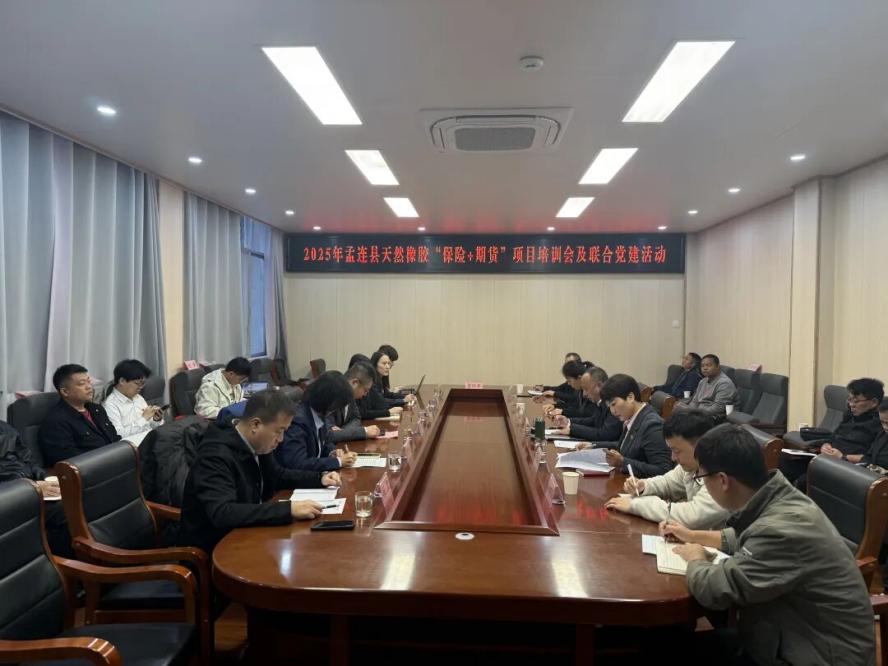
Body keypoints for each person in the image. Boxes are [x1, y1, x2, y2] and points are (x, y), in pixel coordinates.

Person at [662, 424, 874, 665]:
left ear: (722, 480)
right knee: (671, 643)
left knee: (668, 650)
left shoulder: (780, 530)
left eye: (701, 477)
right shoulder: (778, 497)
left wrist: (695, 558)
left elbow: (718, 591)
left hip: (815, 655)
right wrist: (692, 535)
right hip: (787, 635)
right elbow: (745, 537)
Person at [178, 389, 340, 554]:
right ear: (255, 425)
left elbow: (278, 476)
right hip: (217, 548)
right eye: (279, 431)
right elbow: (223, 512)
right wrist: (287, 510)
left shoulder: (256, 443)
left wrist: (319, 478)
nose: (281, 439)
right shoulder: (215, 456)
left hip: (250, 533)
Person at [604, 411, 729, 529]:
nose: (673, 458)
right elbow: (668, 483)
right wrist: (644, 486)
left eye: (677, 451)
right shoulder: (693, 464)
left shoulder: (722, 475)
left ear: (701, 446)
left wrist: (635, 505)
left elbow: (692, 516)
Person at [785, 377, 885, 487]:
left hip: (849, 469)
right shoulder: (849, 416)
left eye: (856, 401)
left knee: (804, 481)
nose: (851, 404)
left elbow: (872, 458)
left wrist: (842, 456)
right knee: (785, 463)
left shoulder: (881, 425)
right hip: (828, 460)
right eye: (849, 400)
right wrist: (826, 445)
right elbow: (834, 436)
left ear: (874, 402)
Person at [1, 419, 72, 556]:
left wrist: (43, 477)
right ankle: (62, 563)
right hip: (10, 496)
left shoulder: (5, 428)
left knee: (73, 496)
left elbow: (29, 459)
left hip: (30, 486)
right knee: (63, 509)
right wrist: (29, 488)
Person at [39, 364, 121, 466]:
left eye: (89, 381)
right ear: (65, 392)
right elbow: (67, 461)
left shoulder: (97, 409)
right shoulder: (56, 421)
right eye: (82, 384)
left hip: (114, 462)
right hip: (92, 469)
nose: (89, 387)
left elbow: (114, 437)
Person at [275, 372, 358, 472]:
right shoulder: (297, 421)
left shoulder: (317, 413)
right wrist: (338, 462)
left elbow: (323, 442)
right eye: (337, 406)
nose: (336, 410)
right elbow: (298, 463)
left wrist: (332, 452)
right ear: (328, 401)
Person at [597, 374, 673, 478]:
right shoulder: (632, 417)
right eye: (609, 406)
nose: (612, 411)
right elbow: (627, 446)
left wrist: (623, 462)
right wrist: (593, 445)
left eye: (613, 404)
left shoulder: (652, 425)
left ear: (630, 397)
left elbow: (663, 470)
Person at [548, 366, 622, 442]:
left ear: (599, 385)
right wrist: (568, 421)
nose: (584, 394)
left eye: (586, 389)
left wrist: (573, 430)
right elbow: (593, 420)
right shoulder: (601, 402)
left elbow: (604, 434)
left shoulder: (613, 403)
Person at [102, 359, 163, 446]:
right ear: (122, 381)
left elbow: (149, 426)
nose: (141, 387)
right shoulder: (110, 405)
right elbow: (118, 435)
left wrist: (156, 420)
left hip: (150, 440)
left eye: (143, 383)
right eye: (137, 383)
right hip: (133, 448)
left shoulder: (138, 398)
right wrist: (144, 418)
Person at [672, 354, 737, 419]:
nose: (705, 368)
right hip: (699, 414)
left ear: (718, 367)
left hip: (713, 417)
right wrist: (688, 411)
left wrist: (691, 410)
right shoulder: (703, 381)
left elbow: (718, 409)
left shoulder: (724, 383)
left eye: (708, 365)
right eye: (702, 366)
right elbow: (695, 401)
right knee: (675, 415)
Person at [328, 362, 381, 442]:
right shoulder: (331, 394)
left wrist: (345, 432)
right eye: (365, 390)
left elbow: (356, 418)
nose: (366, 394)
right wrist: (364, 432)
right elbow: (329, 435)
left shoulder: (351, 394)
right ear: (355, 383)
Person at [357, 352, 407, 419]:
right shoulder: (372, 382)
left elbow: (387, 394)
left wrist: (405, 397)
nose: (388, 367)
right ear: (375, 365)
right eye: (384, 363)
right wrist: (403, 400)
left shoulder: (381, 379)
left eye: (388, 363)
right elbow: (380, 402)